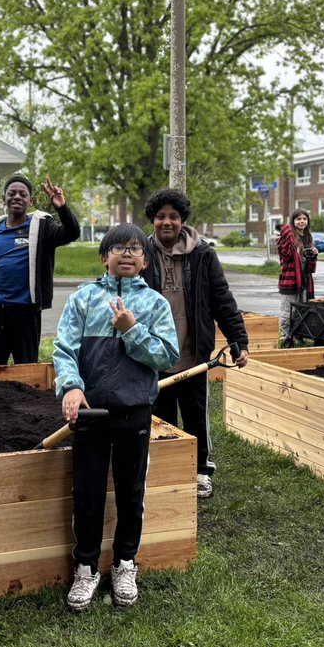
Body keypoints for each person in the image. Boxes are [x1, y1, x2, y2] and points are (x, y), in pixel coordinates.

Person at [53, 223, 179, 612]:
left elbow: (167, 356)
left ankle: (125, 563)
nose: (127, 253)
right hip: (91, 414)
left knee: (131, 491)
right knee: (88, 493)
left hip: (135, 411)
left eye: (135, 249)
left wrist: (131, 330)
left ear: (145, 261)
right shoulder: (83, 300)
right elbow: (63, 349)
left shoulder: (156, 305)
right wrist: (71, 386)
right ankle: (86, 567)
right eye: (118, 248)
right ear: (103, 257)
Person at [141, 188, 249, 500]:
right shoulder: (141, 253)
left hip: (193, 357)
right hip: (154, 358)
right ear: (153, 220)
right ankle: (164, 471)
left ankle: (200, 471)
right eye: (161, 216)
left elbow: (222, 298)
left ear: (182, 220)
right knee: (159, 419)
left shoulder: (202, 254)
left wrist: (238, 339)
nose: (166, 222)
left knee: (195, 416)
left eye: (173, 217)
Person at [0, 175, 80, 365]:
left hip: (26, 312)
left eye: (23, 194)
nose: (17, 197)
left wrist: (61, 208)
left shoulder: (43, 226)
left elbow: (71, 233)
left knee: (27, 367)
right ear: (4, 198)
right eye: (11, 193)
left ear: (31, 200)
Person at [277, 208, 318, 347]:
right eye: (298, 219)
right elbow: (285, 255)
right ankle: (284, 339)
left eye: (304, 219)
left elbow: (311, 268)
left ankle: (298, 337)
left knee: (301, 311)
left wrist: (314, 255)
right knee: (287, 311)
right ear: (293, 221)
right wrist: (287, 230)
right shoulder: (288, 238)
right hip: (290, 282)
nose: (302, 221)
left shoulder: (308, 239)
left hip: (305, 282)